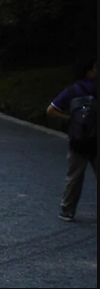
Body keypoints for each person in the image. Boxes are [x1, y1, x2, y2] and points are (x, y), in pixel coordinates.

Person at [46, 58, 97, 222]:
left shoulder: (72, 90)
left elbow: (50, 110)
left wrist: (70, 119)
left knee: (73, 178)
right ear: (89, 70)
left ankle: (67, 210)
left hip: (78, 141)